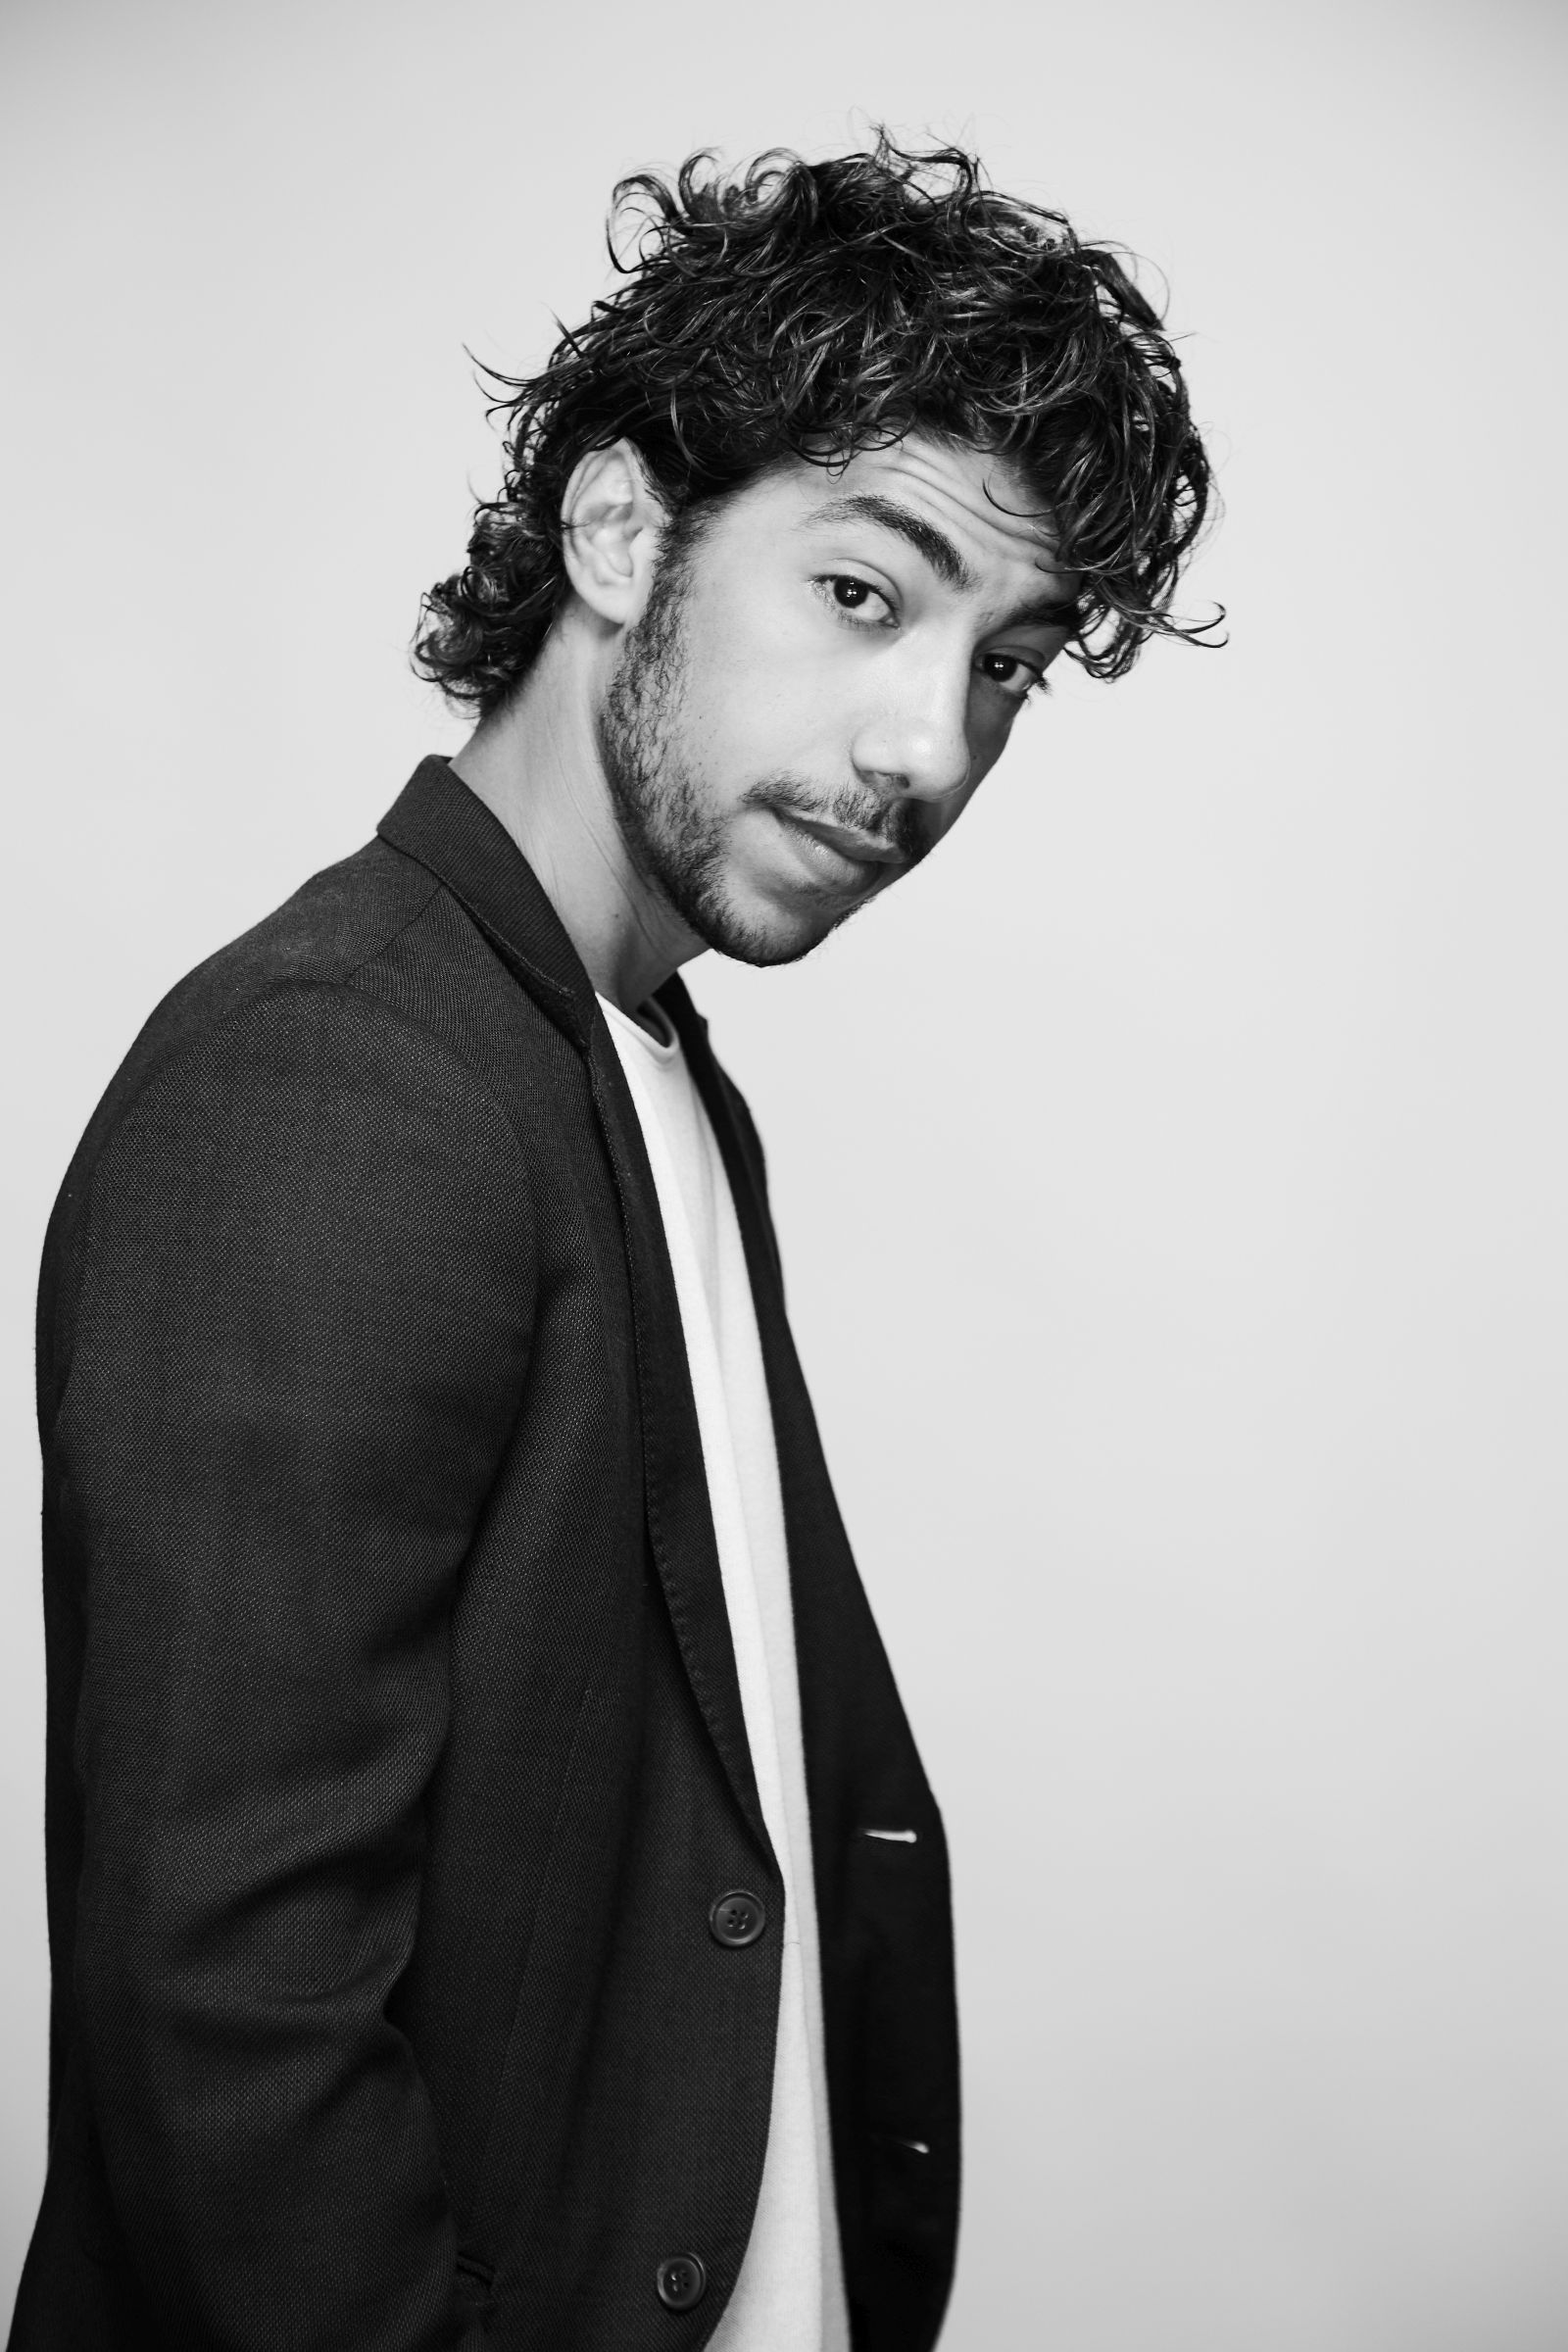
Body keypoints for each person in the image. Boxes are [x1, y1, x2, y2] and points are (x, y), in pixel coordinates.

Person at [10, 137, 1212, 2352]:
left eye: (1005, 667)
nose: (921, 747)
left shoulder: (630, 1060)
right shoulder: (336, 1084)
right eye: (866, 594)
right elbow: (232, 2026)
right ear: (617, 527)